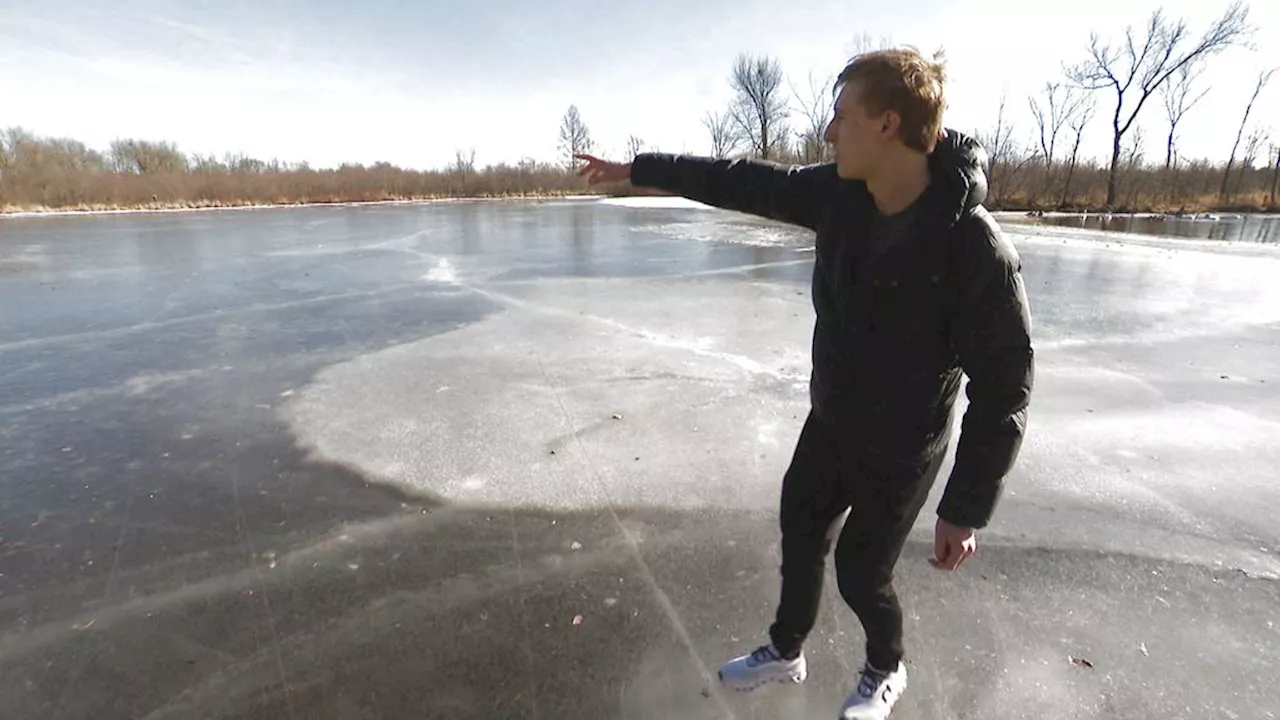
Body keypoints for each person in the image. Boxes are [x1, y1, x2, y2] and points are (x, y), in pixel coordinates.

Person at [575, 46, 1034, 720]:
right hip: (833, 420)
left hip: (903, 445)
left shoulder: (973, 248)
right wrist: (641, 169)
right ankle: (786, 650)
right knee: (799, 525)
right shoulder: (839, 195)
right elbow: (742, 180)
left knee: (859, 571)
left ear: (887, 124)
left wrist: (965, 506)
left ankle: (886, 667)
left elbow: (1006, 385)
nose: (827, 132)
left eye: (840, 115)